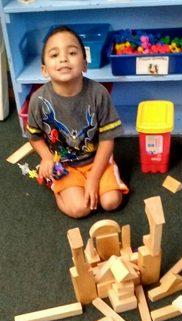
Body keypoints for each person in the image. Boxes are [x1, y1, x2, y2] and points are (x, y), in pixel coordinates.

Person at [25, 25, 129, 218]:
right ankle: (55, 184)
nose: (64, 58)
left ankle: (95, 179)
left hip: (97, 160)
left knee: (111, 202)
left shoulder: (99, 93)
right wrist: (47, 157)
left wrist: (94, 178)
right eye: (54, 55)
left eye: (72, 52)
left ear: (84, 63)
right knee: (80, 209)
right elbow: (34, 136)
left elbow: (107, 139)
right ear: (44, 69)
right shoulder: (38, 100)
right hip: (64, 166)